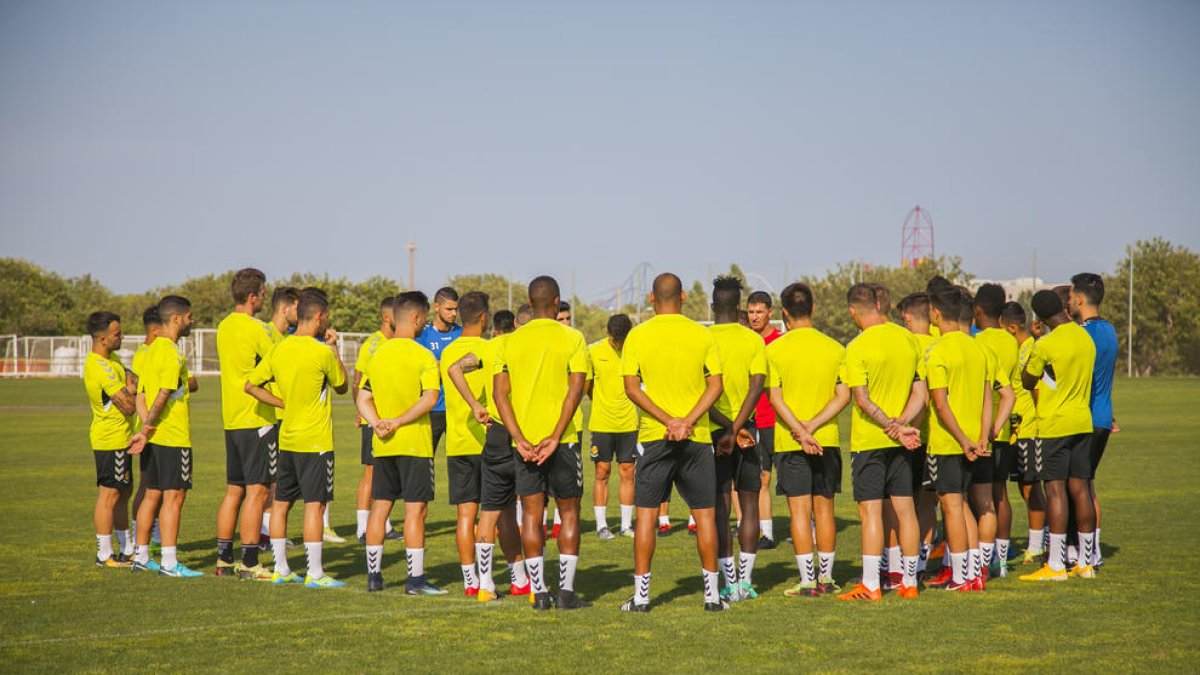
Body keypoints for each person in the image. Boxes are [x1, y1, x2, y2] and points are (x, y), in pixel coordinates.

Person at [619, 273, 725, 612]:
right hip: (696, 437)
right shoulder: (701, 334)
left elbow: (632, 389)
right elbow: (716, 386)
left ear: (651, 297)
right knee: (705, 517)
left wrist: (669, 422)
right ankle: (712, 597)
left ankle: (642, 598)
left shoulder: (637, 336)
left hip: (655, 437)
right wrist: (688, 421)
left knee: (646, 517)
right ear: (682, 296)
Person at [493, 276, 591, 610]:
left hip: (525, 445)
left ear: (530, 302)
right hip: (561, 442)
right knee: (569, 513)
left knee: (531, 516)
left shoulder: (510, 341)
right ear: (557, 301)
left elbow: (499, 394)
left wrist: (518, 438)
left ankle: (539, 594)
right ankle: (565, 593)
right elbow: (575, 390)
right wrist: (556, 435)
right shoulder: (573, 337)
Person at [245, 289, 349, 588]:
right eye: (326, 317)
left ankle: (280, 568)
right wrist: (334, 349)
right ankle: (315, 574)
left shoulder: (280, 349)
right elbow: (341, 385)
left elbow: (250, 385)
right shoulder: (321, 352)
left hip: (287, 439)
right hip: (316, 442)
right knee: (314, 505)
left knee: (281, 504)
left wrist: (281, 404)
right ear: (318, 317)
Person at [837, 283, 925, 601]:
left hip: (871, 441)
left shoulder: (857, 347)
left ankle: (871, 585)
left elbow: (861, 400)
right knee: (906, 509)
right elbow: (920, 392)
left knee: (871, 513)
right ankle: (910, 583)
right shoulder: (908, 339)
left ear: (852, 312)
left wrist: (891, 425)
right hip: (901, 442)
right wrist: (902, 425)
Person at [356, 291, 447, 595]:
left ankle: (374, 577)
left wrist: (377, 423)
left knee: (380, 508)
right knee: (415, 512)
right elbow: (431, 398)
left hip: (383, 445)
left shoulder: (378, 354)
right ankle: (415, 581)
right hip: (414, 445)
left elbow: (363, 397)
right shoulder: (423, 356)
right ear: (418, 318)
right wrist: (398, 422)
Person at [767, 283, 849, 598]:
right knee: (824, 510)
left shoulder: (773, 350)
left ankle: (807, 581)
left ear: (784, 313)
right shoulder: (835, 348)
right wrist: (814, 426)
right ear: (813, 308)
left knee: (799, 512)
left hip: (790, 442)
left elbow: (775, 398)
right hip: (825, 439)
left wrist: (800, 432)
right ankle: (827, 579)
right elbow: (844, 395)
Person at [447, 309, 530, 602]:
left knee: (493, 510)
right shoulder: (531, 347)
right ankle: (532, 584)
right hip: (525, 432)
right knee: (528, 510)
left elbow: (455, 368)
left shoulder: (493, 346)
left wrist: (473, 405)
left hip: (494, 435)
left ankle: (487, 585)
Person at [1019, 290, 1097, 582]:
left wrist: (1038, 345)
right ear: (1064, 307)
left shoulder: (1046, 344)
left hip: (1054, 424)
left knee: (1055, 490)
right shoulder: (1084, 338)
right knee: (1081, 490)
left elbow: (1028, 380)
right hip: (1082, 420)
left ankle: (1055, 564)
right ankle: (1085, 563)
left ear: (1038, 317)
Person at [923, 287, 993, 592]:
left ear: (936, 313)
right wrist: (981, 436)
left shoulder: (937, 351)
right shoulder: (978, 348)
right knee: (962, 505)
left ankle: (961, 576)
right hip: (973, 440)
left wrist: (964, 439)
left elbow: (940, 403)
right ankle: (975, 574)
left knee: (951, 506)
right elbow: (987, 397)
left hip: (948, 442)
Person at [214, 268, 278, 580]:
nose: (265, 298)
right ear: (252, 296)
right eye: (264, 294)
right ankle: (251, 562)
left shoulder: (224, 326)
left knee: (234, 491)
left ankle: (224, 559)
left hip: (232, 419)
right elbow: (278, 361)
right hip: (257, 418)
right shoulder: (258, 328)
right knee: (259, 491)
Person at [132, 295, 202, 577]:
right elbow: (161, 395)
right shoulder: (173, 353)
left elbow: (141, 394)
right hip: (172, 436)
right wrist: (148, 427)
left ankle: (141, 555)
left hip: (153, 438)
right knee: (174, 497)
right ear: (176, 319)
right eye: (190, 316)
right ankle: (170, 563)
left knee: (152, 494)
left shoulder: (150, 351)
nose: (192, 321)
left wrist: (144, 430)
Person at [439, 291, 494, 594]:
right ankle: (490, 578)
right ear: (484, 317)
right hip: (487, 441)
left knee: (464, 515)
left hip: (457, 442)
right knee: (491, 514)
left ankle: (469, 581)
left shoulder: (448, 352)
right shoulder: (490, 349)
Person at [84, 311, 144, 568]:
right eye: (117, 333)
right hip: (109, 439)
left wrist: (129, 387)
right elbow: (129, 404)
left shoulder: (114, 360)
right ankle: (104, 554)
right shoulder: (99, 367)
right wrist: (129, 390)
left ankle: (127, 547)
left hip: (123, 438)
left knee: (123, 492)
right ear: (101, 338)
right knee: (109, 494)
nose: (122, 337)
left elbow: (134, 380)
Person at [1070, 273, 1118, 570]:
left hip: (1084, 417)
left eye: (1070, 295)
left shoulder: (1082, 334)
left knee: (1077, 486)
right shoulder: (1110, 330)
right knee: (1087, 484)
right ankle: (1092, 549)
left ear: (1078, 299)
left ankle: (1085, 554)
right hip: (1103, 414)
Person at [971, 283, 1018, 577]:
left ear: (977, 310)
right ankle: (1001, 558)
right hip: (1004, 429)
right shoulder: (1011, 341)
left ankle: (980, 560)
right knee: (1001, 495)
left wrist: (988, 427)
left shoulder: (979, 341)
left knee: (978, 498)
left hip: (981, 430)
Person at [1000, 301, 1049, 564]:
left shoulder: (1032, 348)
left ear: (1011, 327)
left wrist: (1039, 422)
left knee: (1031, 486)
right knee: (1022, 485)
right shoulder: (1018, 347)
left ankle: (1036, 545)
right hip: (1014, 429)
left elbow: (1038, 389)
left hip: (1030, 426)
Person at [353, 296, 403, 544]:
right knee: (371, 473)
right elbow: (358, 379)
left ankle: (384, 523)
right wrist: (361, 413)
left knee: (384, 473)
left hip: (389, 418)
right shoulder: (374, 344)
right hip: (374, 419)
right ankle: (363, 528)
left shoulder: (394, 342)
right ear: (386, 317)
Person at [896, 293, 939, 575]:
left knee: (903, 501)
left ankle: (902, 560)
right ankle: (924, 555)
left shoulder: (907, 345)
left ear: (908, 318)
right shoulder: (941, 345)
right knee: (930, 500)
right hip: (938, 437)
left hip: (910, 433)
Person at [587, 314, 639, 540]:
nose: (620, 344)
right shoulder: (593, 351)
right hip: (602, 422)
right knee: (602, 472)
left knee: (628, 472)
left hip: (629, 422)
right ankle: (602, 526)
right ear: (608, 333)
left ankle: (626, 525)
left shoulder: (635, 350)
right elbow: (587, 387)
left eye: (623, 340)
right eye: (616, 339)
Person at [746, 290, 782, 550]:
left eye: (759, 312)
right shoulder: (747, 342)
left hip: (777, 421)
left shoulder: (779, 343)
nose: (755, 317)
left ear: (771, 312)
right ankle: (766, 533)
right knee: (762, 479)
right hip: (753, 421)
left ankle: (808, 526)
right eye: (751, 312)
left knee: (791, 481)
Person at [129, 305, 163, 553]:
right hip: (151, 428)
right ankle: (138, 538)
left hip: (157, 426)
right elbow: (140, 392)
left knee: (158, 486)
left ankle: (155, 536)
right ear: (154, 329)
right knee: (148, 485)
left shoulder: (156, 351)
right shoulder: (146, 354)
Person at [418, 287, 462, 453]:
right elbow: (422, 369)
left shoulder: (461, 333)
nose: (453, 314)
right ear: (436, 307)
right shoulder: (423, 334)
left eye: (456, 309)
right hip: (432, 407)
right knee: (426, 457)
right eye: (449, 309)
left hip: (456, 409)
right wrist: (454, 366)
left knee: (459, 459)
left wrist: (438, 364)